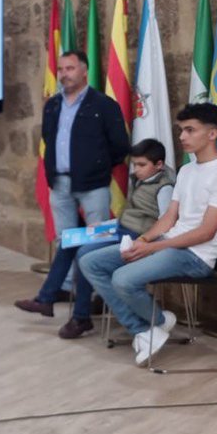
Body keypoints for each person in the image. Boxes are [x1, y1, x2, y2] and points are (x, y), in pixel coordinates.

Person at [78, 103, 217, 366]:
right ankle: (146, 328)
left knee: (122, 278)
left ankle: (152, 325)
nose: (182, 137)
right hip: (168, 244)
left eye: (190, 130)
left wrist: (152, 248)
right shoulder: (187, 170)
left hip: (195, 256)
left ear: (212, 134)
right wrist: (143, 240)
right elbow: (169, 218)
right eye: (181, 130)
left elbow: (206, 232)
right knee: (92, 262)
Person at [14, 139, 176, 338]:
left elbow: (165, 222)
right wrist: (104, 226)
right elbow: (132, 214)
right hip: (119, 228)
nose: (136, 169)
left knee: (84, 255)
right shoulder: (140, 180)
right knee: (69, 240)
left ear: (158, 165)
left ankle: (81, 316)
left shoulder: (164, 188)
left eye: (142, 165)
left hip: (135, 237)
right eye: (135, 165)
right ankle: (46, 298)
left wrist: (144, 242)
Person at [41, 50, 130, 291]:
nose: (63, 74)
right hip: (59, 184)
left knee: (96, 240)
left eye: (70, 69)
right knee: (65, 238)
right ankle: (69, 288)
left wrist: (97, 166)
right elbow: (47, 138)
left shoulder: (103, 104)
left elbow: (120, 144)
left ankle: (92, 293)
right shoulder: (52, 105)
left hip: (94, 184)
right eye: (60, 70)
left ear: (84, 71)